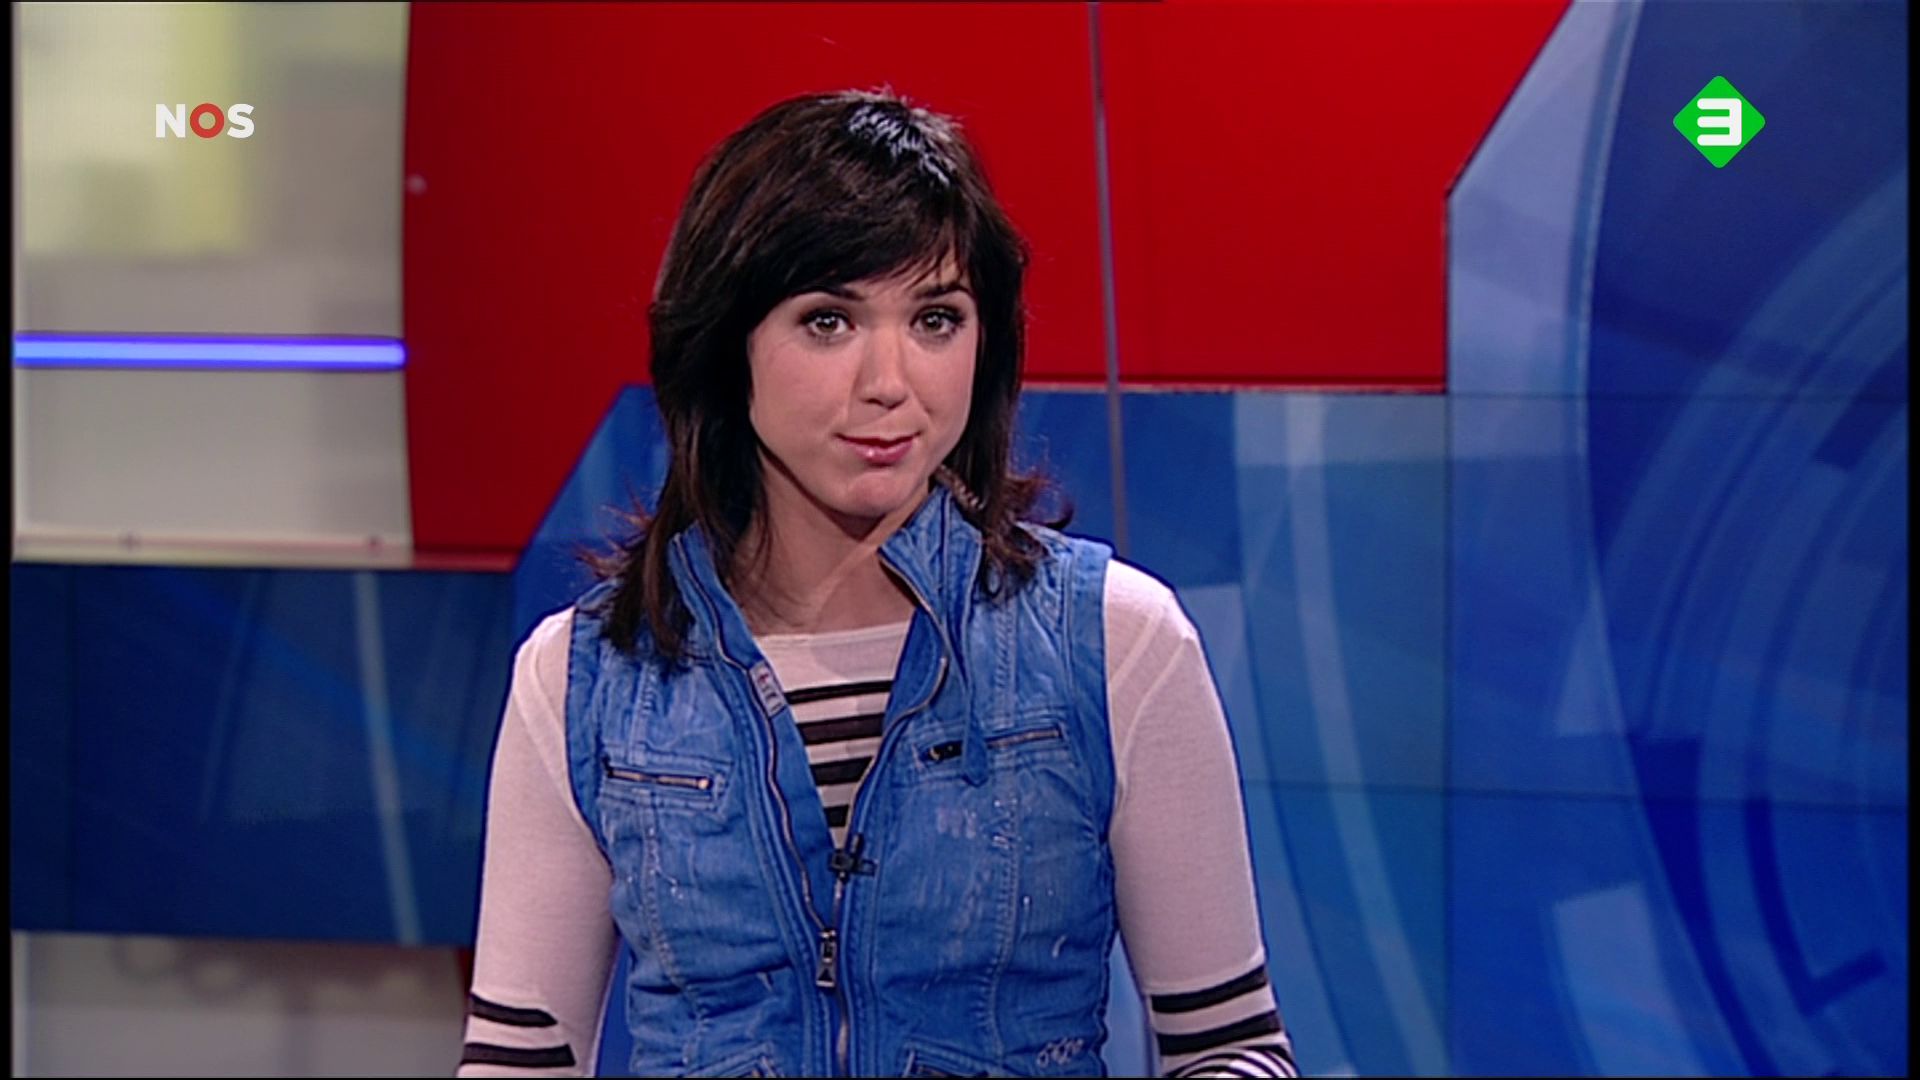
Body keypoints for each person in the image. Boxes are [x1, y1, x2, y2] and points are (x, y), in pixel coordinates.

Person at [457, 89, 1296, 1079]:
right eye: (829, 321)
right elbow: (517, 1066)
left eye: (936, 318)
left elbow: (1232, 1049)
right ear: (727, 344)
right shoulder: (586, 679)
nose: (890, 382)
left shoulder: (1117, 644)